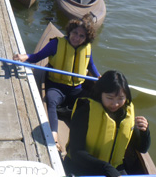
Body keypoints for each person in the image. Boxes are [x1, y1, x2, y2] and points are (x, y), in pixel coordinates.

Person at [13, 15, 100, 156]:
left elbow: (90, 65)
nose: (76, 38)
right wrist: (26, 57)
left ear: (86, 39)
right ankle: (54, 134)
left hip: (76, 90)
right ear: (70, 31)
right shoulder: (56, 44)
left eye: (81, 36)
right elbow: (37, 57)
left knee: (93, 102)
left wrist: (98, 77)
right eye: (75, 33)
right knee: (51, 99)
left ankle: (91, 134)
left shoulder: (87, 48)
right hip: (57, 88)